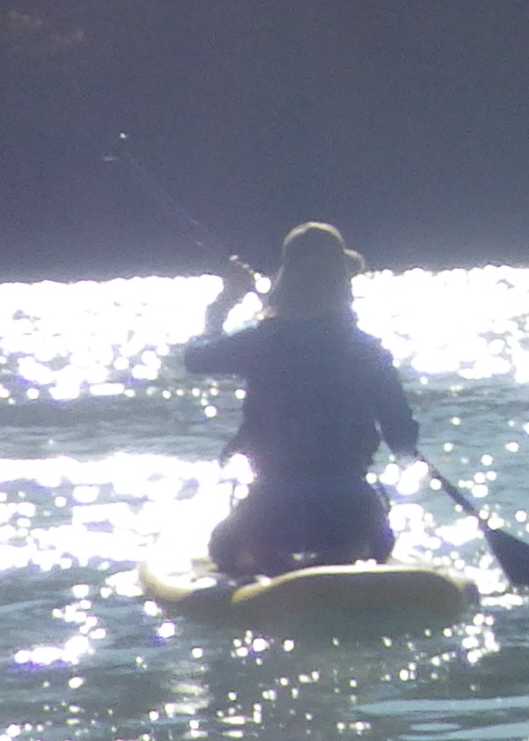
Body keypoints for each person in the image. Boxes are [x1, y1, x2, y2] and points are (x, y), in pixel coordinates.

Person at [174, 222, 422, 581]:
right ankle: (342, 555)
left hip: (274, 512)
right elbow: (402, 439)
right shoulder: (367, 350)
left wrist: (224, 303)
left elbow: (195, 358)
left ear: (285, 281)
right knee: (374, 536)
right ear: (342, 285)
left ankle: (274, 560)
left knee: (222, 551)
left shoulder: (260, 342)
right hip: (349, 512)